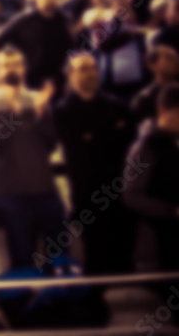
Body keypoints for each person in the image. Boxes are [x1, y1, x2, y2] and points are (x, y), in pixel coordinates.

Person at [0, 46, 61, 269]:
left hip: (44, 188)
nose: (12, 69)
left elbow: (50, 144)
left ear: (24, 67)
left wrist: (40, 114)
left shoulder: (38, 99)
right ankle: (28, 301)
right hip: (10, 193)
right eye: (6, 65)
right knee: (22, 258)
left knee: (59, 255)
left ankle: (60, 299)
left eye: (16, 64)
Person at [54, 52, 136, 275]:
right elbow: (78, 148)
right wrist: (110, 133)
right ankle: (98, 302)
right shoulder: (63, 111)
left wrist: (93, 136)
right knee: (95, 250)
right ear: (70, 76)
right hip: (87, 191)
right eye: (83, 69)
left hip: (119, 186)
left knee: (123, 249)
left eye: (93, 68)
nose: (91, 73)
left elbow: (128, 143)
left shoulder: (117, 105)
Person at [123, 84, 179, 312]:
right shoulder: (146, 148)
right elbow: (132, 196)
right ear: (165, 111)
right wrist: (172, 211)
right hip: (163, 244)